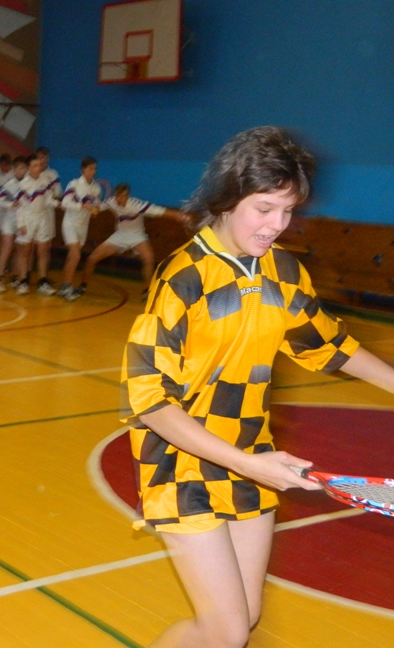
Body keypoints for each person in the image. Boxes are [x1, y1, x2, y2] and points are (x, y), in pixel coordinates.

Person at [121, 126, 394, 648]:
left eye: (288, 211)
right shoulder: (184, 278)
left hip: (250, 449)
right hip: (181, 459)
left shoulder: (282, 271)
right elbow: (151, 402)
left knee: (241, 620)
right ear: (226, 199)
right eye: (264, 209)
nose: (277, 225)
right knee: (225, 632)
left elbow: (329, 345)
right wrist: (249, 465)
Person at [76, 183, 187, 300]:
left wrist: (179, 215)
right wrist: (93, 210)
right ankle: (82, 286)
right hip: (119, 236)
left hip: (138, 237)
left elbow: (159, 210)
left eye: (123, 196)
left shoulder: (136, 204)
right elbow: (98, 208)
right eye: (118, 196)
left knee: (149, 258)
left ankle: (147, 291)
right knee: (92, 259)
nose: (119, 199)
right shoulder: (111, 201)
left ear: (127, 196)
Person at [57, 157, 101, 300]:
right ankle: (68, 287)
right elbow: (65, 203)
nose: (93, 171)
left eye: (95, 169)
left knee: (72, 257)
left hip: (83, 226)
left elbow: (96, 205)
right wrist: (82, 206)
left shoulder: (96, 188)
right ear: (83, 169)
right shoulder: (74, 184)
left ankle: (64, 287)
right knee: (76, 255)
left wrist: (95, 211)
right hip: (70, 223)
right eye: (90, 169)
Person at [14, 156, 58, 295]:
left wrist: (59, 204)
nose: (38, 168)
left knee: (43, 251)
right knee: (25, 252)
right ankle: (23, 281)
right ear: (29, 168)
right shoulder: (23, 184)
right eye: (35, 165)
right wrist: (21, 223)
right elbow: (19, 206)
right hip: (27, 219)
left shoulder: (45, 181)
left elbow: (49, 200)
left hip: (42, 218)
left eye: (39, 165)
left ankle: (42, 282)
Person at [0, 156, 27, 293]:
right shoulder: (9, 184)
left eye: (24, 168)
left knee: (20, 250)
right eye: (19, 168)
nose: (21, 171)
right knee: (7, 248)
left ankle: (15, 277)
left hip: (22, 221)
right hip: (9, 220)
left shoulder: (29, 184)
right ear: (14, 169)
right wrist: (11, 204)